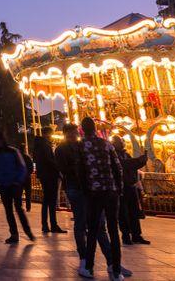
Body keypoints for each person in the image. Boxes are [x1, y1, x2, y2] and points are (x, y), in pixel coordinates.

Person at [56, 123, 131, 279]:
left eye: (75, 132)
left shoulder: (82, 145)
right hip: (78, 189)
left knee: (99, 226)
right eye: (70, 133)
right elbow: (67, 169)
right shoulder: (62, 149)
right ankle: (85, 259)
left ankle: (111, 262)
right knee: (82, 225)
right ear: (65, 133)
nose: (73, 135)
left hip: (92, 190)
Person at [78, 117, 125, 281]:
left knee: (92, 230)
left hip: (94, 192)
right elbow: (117, 167)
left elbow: (80, 170)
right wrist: (119, 187)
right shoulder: (106, 144)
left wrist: (85, 190)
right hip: (111, 191)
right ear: (95, 128)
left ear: (83, 129)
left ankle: (89, 268)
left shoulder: (81, 146)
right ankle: (116, 270)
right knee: (113, 229)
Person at [0, 132, 33, 244]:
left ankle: (27, 231)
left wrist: (18, 180)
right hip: (4, 185)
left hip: (15, 184)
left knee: (18, 208)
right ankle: (14, 234)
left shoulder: (13, 151)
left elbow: (22, 167)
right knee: (8, 210)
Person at [110, 136, 149, 245]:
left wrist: (142, 161)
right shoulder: (114, 155)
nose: (122, 143)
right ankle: (126, 235)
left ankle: (136, 235)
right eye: (120, 142)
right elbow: (125, 164)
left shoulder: (126, 154)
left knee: (134, 211)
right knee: (123, 213)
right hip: (121, 186)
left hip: (131, 185)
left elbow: (132, 165)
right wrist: (138, 160)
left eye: (122, 141)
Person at [33, 133, 65, 234]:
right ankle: (52, 224)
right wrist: (58, 168)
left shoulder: (38, 145)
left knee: (46, 201)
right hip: (50, 175)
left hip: (43, 175)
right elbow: (49, 160)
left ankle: (45, 224)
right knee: (51, 201)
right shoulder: (45, 145)